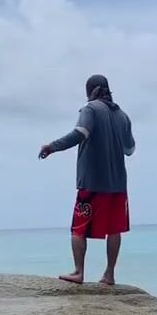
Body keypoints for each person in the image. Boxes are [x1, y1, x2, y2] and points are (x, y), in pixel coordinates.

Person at [39, 74, 135, 285]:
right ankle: (109, 274)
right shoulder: (123, 116)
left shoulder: (90, 109)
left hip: (92, 181)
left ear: (90, 91)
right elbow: (130, 149)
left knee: (79, 228)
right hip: (118, 184)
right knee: (114, 229)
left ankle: (79, 272)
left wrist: (52, 147)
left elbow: (80, 133)